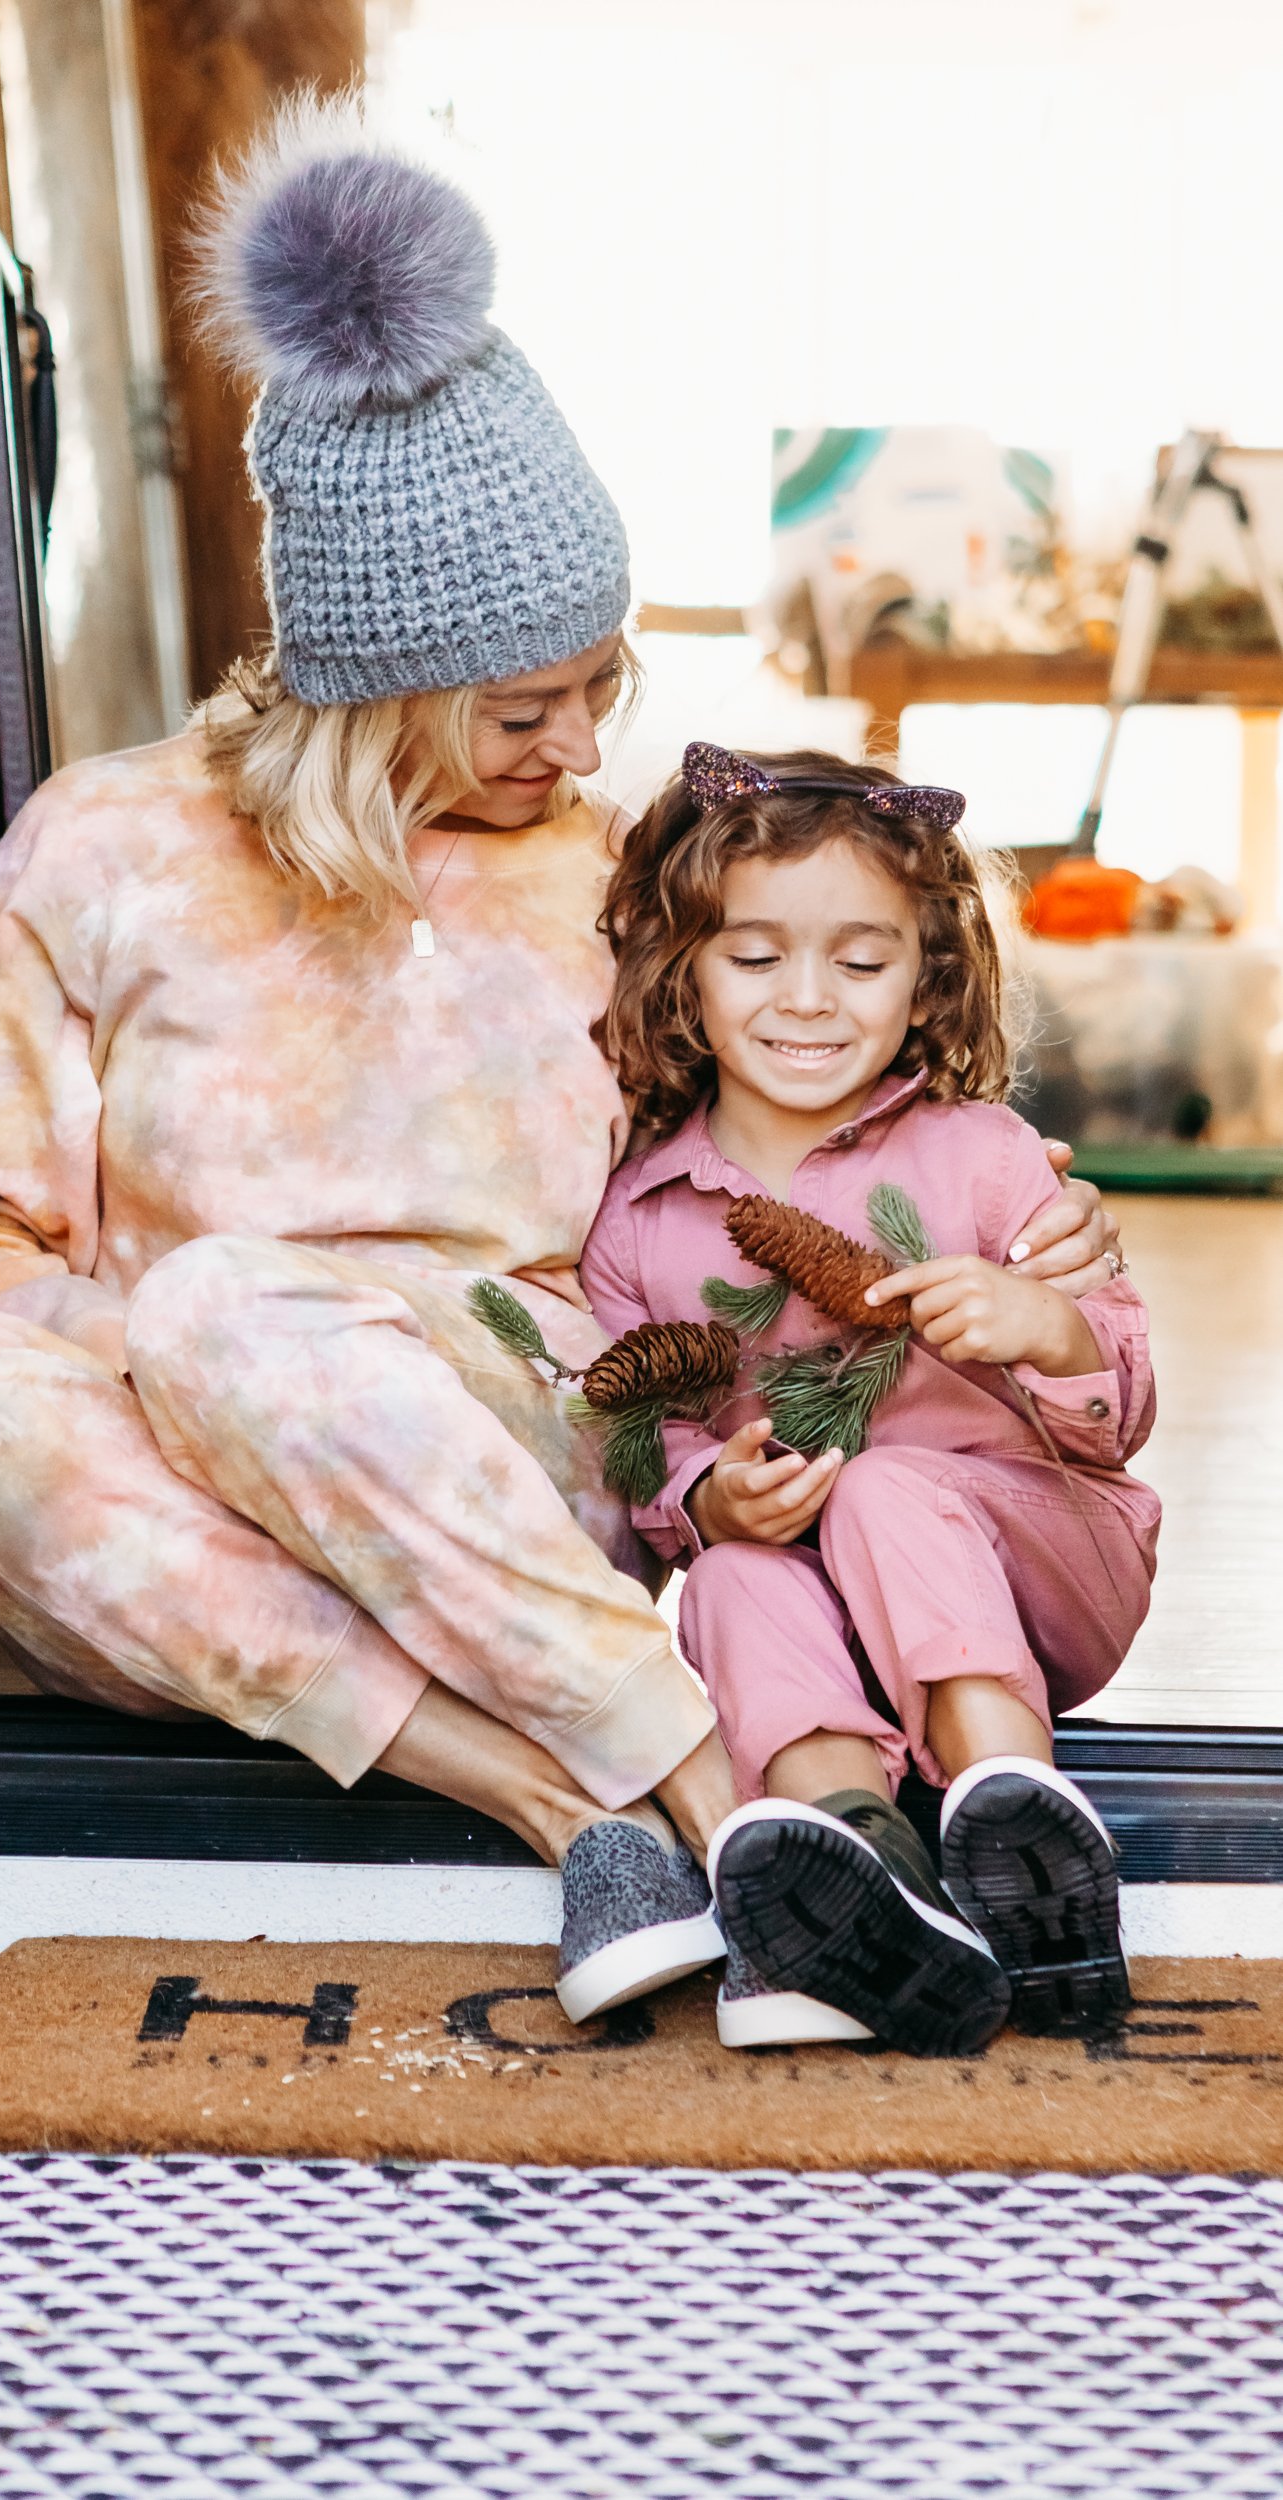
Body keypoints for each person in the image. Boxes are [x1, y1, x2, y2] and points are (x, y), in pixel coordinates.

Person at [0, 101, 1119, 2026]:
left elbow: (794, 1111)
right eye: (529, 706)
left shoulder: (618, 874)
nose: (584, 738)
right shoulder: (107, 849)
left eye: (603, 684)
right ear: (372, 686)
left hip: (543, 1445)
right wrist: (231, 1391)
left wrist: (989, 1210)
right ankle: (662, 1807)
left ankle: (664, 1810)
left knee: (226, 1312)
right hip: (203, 1504)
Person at [582, 743, 1157, 2056]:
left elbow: (1116, 1414)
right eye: (755, 957)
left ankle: (1015, 1804)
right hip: (815, 1600)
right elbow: (648, 1448)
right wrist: (709, 1498)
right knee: (729, 1584)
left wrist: (1045, 1325)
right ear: (683, 971)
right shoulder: (638, 1220)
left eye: (860, 960)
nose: (810, 1001)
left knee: (891, 1485)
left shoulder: (987, 1156)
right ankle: (864, 1866)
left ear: (926, 978)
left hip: (1035, 1570)